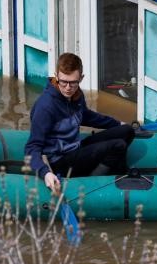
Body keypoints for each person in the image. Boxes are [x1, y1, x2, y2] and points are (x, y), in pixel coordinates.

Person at [27, 53, 135, 196]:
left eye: (73, 82)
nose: (68, 88)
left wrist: (117, 123)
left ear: (81, 78)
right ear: (56, 76)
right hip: (60, 162)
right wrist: (45, 173)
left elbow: (87, 116)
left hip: (75, 149)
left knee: (127, 131)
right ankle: (95, 185)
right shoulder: (46, 107)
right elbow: (32, 148)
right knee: (118, 146)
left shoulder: (76, 96)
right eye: (63, 82)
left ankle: (109, 167)